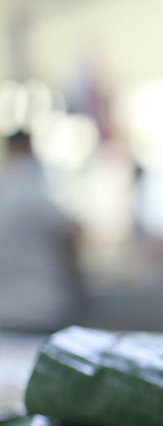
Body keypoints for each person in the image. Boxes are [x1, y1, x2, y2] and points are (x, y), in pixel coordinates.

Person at [0, 131, 81, 333]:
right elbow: (69, 233)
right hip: (39, 307)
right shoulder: (32, 188)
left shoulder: (9, 188)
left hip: (9, 309)